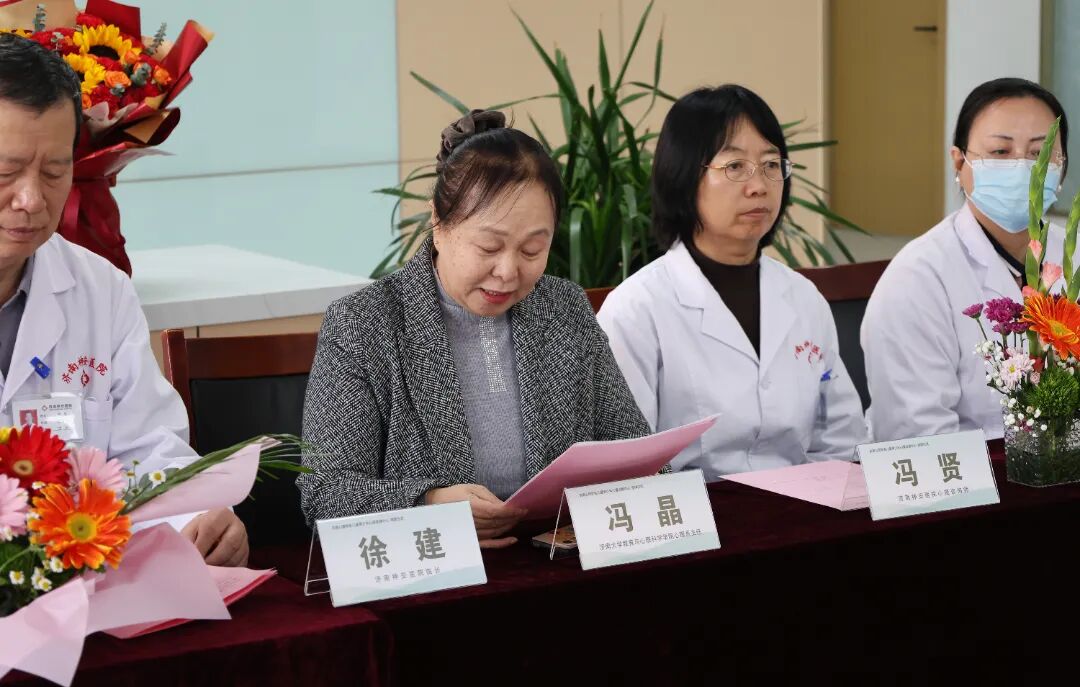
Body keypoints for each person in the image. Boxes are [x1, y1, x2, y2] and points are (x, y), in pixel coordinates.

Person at [298, 109, 652, 547]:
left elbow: (636, 452)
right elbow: (324, 493)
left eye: (532, 250)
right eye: (488, 246)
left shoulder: (564, 308)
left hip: (553, 562)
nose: (507, 272)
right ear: (438, 222)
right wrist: (427, 504)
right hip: (436, 571)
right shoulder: (364, 324)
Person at [0, 33, 247, 566]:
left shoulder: (99, 289)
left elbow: (149, 452)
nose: (31, 199)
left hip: (81, 583)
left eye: (54, 172)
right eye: (5, 173)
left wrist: (197, 518)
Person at [597, 85, 867, 478]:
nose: (759, 186)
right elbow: (628, 464)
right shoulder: (637, 309)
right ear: (684, 176)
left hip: (806, 502)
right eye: (735, 166)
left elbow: (841, 436)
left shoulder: (803, 298)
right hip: (695, 511)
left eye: (771, 165)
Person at [862, 78, 1071, 441]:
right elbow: (918, 436)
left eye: (1040, 153)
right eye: (1000, 151)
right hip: (967, 473)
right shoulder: (918, 278)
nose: (1024, 168)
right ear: (959, 162)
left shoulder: (1074, 253)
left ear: (1062, 166)